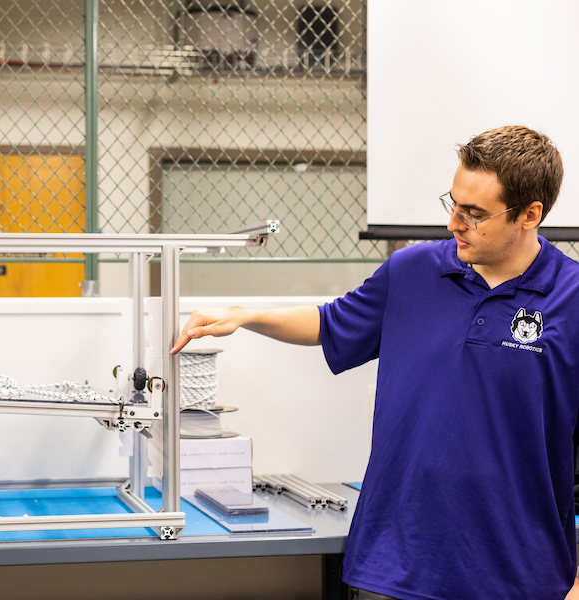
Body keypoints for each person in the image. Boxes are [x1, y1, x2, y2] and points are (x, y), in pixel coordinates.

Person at [171, 125, 579, 600]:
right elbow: (331, 323)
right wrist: (246, 315)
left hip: (520, 578)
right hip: (393, 566)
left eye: (474, 214)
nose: (454, 224)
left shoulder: (571, 299)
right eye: (453, 204)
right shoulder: (412, 272)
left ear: (530, 215)